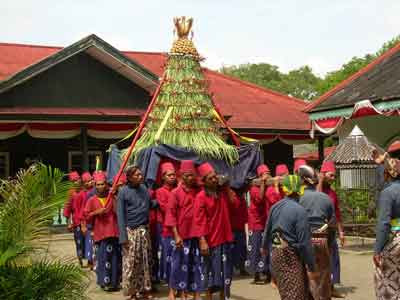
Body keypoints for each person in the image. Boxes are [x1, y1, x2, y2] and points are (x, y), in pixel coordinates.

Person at [262, 174, 317, 300]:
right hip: (290, 256)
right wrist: (312, 267)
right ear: (300, 190)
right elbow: (304, 244)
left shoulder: (275, 207)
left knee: (291, 292)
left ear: (284, 189)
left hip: (276, 255)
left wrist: (264, 248)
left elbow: (267, 231)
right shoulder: (300, 211)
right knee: (294, 294)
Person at [193, 162, 238, 300]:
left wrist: (228, 186)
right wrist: (202, 240)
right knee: (209, 271)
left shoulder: (223, 192)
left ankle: (224, 297)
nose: (214, 180)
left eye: (215, 177)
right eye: (210, 178)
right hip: (211, 240)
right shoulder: (201, 197)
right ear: (204, 181)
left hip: (226, 238)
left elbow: (235, 205)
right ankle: (208, 297)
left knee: (226, 272)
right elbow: (199, 220)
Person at [165, 160, 205, 300]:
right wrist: (176, 235)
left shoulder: (199, 191)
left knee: (195, 264)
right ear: (181, 176)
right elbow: (171, 215)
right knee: (178, 264)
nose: (191, 178)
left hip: (197, 235)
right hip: (181, 236)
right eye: (188, 175)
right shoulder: (175, 193)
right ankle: (178, 292)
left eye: (193, 175)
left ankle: (194, 293)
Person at [117, 166, 158, 300]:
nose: (141, 177)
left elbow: (148, 204)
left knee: (145, 262)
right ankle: (132, 292)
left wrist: (160, 202)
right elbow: (121, 216)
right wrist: (123, 237)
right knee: (131, 263)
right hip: (131, 232)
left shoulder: (144, 189)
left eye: (141, 174)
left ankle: (145, 290)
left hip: (144, 231)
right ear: (129, 177)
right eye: (137, 175)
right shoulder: (123, 192)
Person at [299, 165, 336, 300]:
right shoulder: (326, 198)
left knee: (305, 273)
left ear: (303, 181)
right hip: (323, 240)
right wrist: (329, 243)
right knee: (324, 275)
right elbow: (332, 225)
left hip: (305, 241)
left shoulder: (299, 199)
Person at [84, 171, 122, 292]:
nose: (101, 186)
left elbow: (118, 212)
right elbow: (86, 216)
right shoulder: (92, 200)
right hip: (101, 234)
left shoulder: (112, 198)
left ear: (107, 184)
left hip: (114, 232)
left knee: (115, 258)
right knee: (103, 259)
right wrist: (96, 212)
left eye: (103, 184)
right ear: (95, 185)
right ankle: (104, 282)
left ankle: (115, 283)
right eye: (98, 184)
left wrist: (114, 197)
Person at [374, 157, 400, 299]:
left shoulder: (388, 193)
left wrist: (377, 250)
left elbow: (384, 223)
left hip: (395, 240)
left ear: (386, 174)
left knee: (387, 281)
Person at [318, 161, 344, 298]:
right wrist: (320, 181)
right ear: (323, 175)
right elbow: (315, 198)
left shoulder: (333, 193)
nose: (333, 178)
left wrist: (341, 231)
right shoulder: (315, 190)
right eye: (331, 175)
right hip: (318, 232)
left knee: (333, 259)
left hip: (331, 232)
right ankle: (321, 288)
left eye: (334, 176)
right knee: (320, 260)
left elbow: (337, 213)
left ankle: (332, 287)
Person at [155, 162, 177, 296]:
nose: (172, 177)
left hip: (179, 229)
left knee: (178, 258)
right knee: (168, 257)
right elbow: (165, 209)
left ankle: (179, 286)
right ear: (163, 177)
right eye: (169, 175)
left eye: (174, 174)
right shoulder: (160, 192)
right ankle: (171, 287)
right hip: (165, 228)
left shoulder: (178, 190)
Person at [247, 164, 270, 284]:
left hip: (265, 222)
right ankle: (255, 274)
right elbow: (260, 199)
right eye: (265, 173)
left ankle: (265, 272)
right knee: (255, 248)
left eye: (269, 172)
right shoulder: (254, 188)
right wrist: (262, 184)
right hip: (255, 223)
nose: (268, 175)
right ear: (260, 176)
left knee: (265, 248)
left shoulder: (268, 187)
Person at [63, 171, 85, 267]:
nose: (76, 182)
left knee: (87, 241)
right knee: (79, 241)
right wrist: (68, 222)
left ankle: (89, 259)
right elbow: (67, 208)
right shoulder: (71, 193)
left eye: (78, 180)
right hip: (77, 222)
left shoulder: (85, 191)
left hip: (87, 220)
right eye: (74, 181)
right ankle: (80, 257)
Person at [230, 185, 249, 276]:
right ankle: (234, 268)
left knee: (241, 249)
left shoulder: (242, 201)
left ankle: (241, 268)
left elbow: (245, 215)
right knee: (233, 249)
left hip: (240, 228)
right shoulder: (233, 199)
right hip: (232, 229)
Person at [79, 171, 95, 270]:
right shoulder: (84, 195)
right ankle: (90, 262)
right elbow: (83, 212)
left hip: (97, 222)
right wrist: (83, 225)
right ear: (84, 183)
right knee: (89, 244)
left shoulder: (97, 191)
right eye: (87, 181)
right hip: (89, 223)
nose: (90, 183)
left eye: (91, 180)